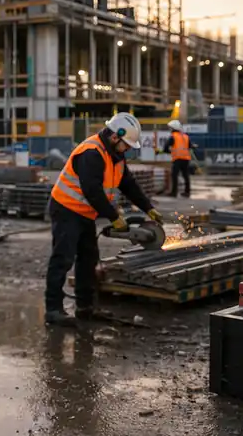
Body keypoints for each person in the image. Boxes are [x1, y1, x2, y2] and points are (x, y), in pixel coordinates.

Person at [44, 112, 163, 326]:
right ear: (115, 136)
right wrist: (114, 217)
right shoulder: (92, 153)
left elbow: (128, 184)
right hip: (66, 210)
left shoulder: (115, 157)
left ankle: (85, 307)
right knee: (63, 259)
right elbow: (92, 191)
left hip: (84, 213)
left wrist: (148, 208)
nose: (127, 149)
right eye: (126, 144)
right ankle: (53, 310)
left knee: (88, 259)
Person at [162, 119, 195, 197]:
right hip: (186, 159)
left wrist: (169, 152)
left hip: (177, 159)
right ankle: (187, 192)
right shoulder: (185, 136)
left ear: (173, 128)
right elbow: (190, 146)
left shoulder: (173, 137)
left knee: (174, 175)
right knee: (186, 175)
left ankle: (174, 192)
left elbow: (166, 147)